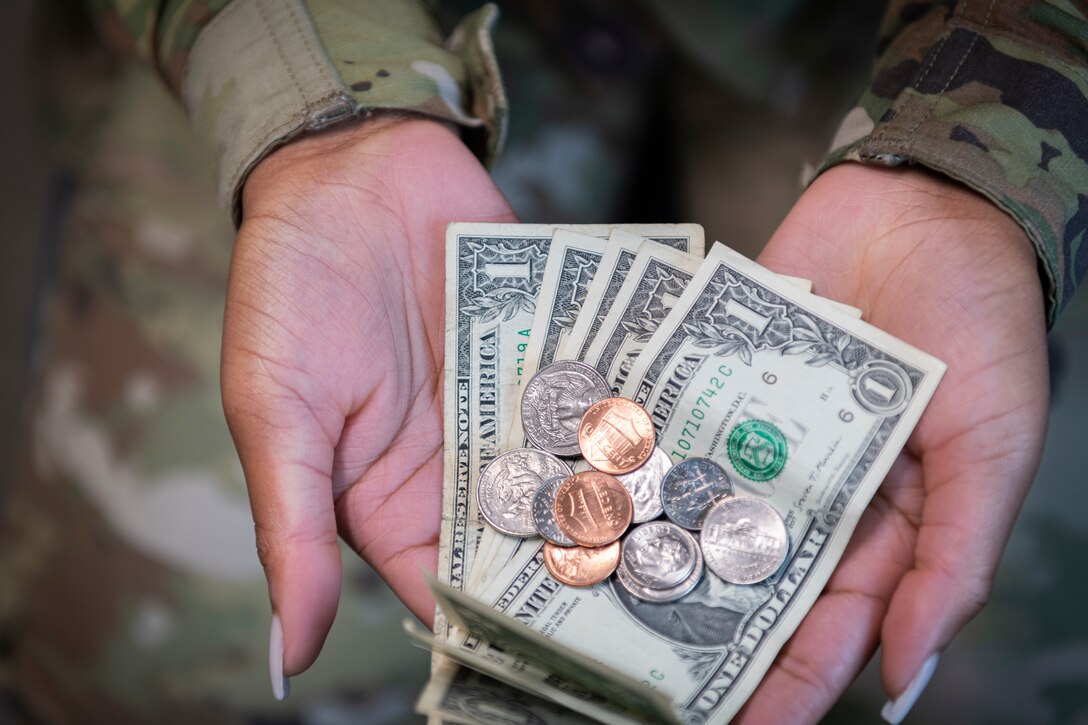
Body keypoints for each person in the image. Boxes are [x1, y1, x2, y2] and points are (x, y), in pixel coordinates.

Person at [6, 0, 1085, 723]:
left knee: (985, 668)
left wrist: (980, 157)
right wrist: (315, 115)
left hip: (926, 49)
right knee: (160, 667)